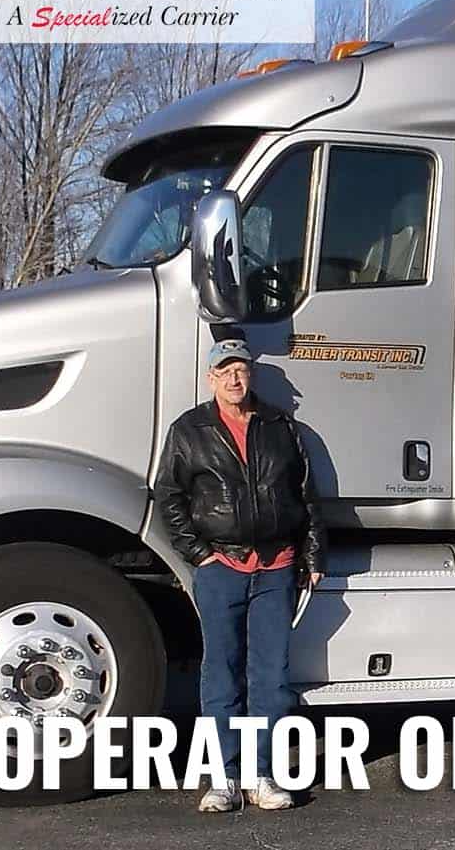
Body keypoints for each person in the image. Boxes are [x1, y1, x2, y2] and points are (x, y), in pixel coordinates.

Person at [153, 337, 325, 812]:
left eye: (241, 370)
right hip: (221, 568)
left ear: (251, 375)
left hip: (277, 568)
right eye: (224, 370)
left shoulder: (279, 427)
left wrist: (312, 557)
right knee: (221, 674)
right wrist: (200, 555)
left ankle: (261, 774)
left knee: (271, 677)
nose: (234, 378)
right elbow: (167, 497)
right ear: (211, 378)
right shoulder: (190, 430)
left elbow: (306, 497)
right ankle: (223, 778)